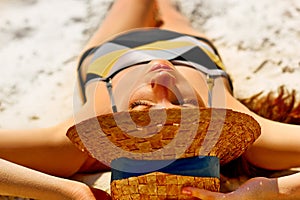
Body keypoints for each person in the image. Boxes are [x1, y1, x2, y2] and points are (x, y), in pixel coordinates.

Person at [0, 0, 300, 199]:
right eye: (185, 106)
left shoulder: (78, 143)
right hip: (190, 49)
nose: (162, 77)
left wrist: (69, 192)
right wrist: (270, 190)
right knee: (170, 10)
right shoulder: (250, 136)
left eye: (140, 108)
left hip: (113, 49)